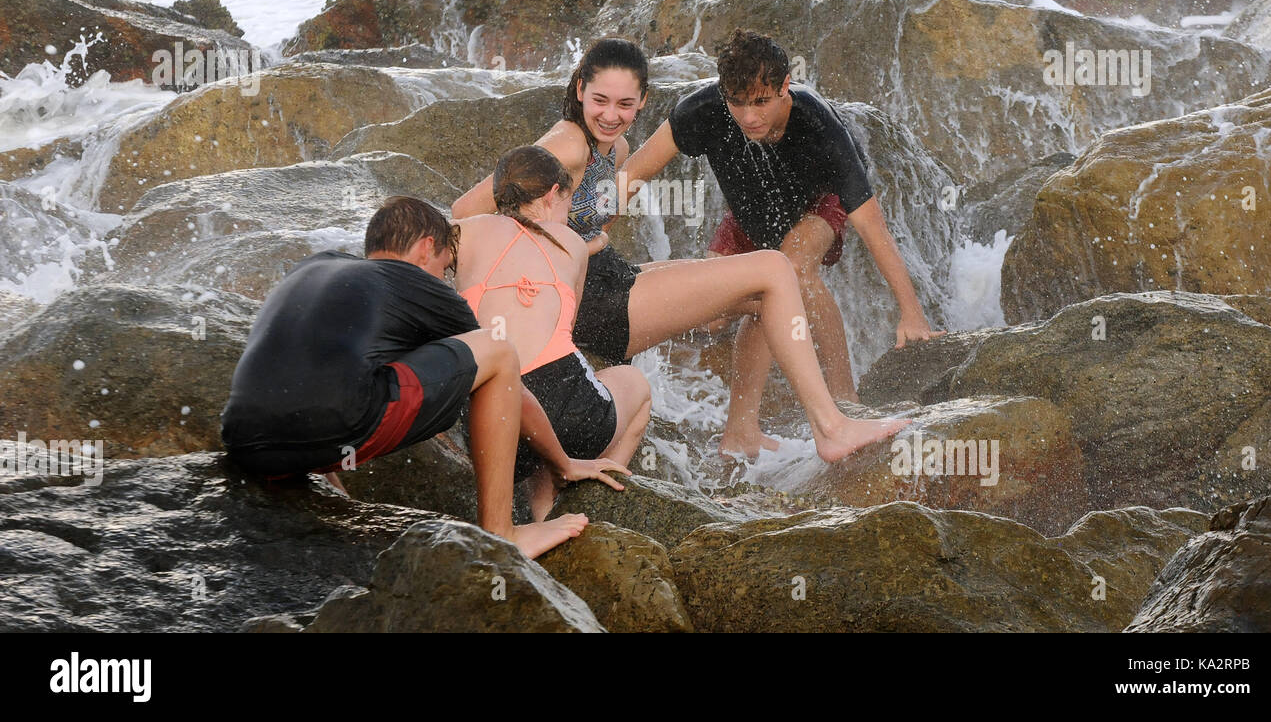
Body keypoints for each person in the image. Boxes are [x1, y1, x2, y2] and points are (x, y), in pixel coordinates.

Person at [452, 39, 910, 462]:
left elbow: (598, 210)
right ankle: (830, 427)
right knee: (773, 269)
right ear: (579, 90)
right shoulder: (567, 143)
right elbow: (465, 212)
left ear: (643, 102)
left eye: (626, 104)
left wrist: (586, 237)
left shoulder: (613, 147)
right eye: (600, 101)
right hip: (599, 305)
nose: (612, 115)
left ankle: (741, 433)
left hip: (609, 276)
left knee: (760, 295)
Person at [221, 195, 625, 560]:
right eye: (445, 267)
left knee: (335, 370)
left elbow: (315, 371)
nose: (443, 279)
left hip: (246, 443)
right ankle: (502, 533)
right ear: (425, 248)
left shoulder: (313, 268)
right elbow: (507, 383)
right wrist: (562, 462)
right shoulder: (413, 281)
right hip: (342, 420)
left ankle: (330, 489)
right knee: (497, 348)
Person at [623, 28, 945, 456]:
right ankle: (740, 430)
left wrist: (911, 311)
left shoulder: (818, 125)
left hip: (818, 204)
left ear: (784, 87)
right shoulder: (702, 110)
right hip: (753, 213)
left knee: (790, 269)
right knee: (723, 309)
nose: (749, 115)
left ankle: (844, 402)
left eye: (761, 101)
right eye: (738, 102)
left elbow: (872, 226)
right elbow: (632, 173)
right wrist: (589, 228)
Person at [454, 146, 651, 522]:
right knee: (636, 385)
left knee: (529, 416)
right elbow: (566, 331)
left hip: (493, 424)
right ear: (551, 195)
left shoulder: (465, 233)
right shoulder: (572, 243)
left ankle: (542, 513)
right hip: (571, 413)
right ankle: (592, 506)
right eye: (567, 201)